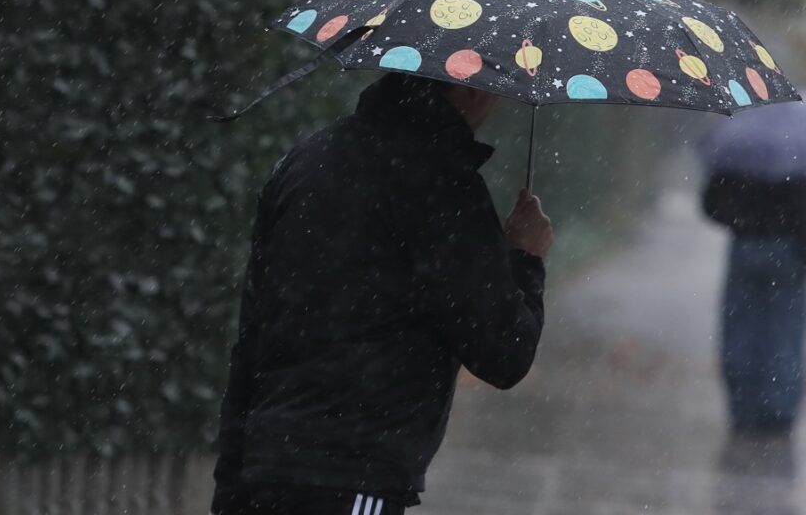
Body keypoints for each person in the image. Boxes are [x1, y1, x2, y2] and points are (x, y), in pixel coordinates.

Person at [211, 73, 553, 515]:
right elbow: (504, 353)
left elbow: (252, 339)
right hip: (353, 476)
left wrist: (230, 486)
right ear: (472, 87)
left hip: (265, 469)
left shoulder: (305, 161)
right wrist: (525, 257)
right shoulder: (443, 184)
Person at [702, 172, 806, 435]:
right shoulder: (803, 160)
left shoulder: (739, 159)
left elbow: (711, 204)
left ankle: (744, 409)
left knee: (741, 330)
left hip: (745, 246)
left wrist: (741, 218)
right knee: (785, 333)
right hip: (788, 250)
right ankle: (779, 412)